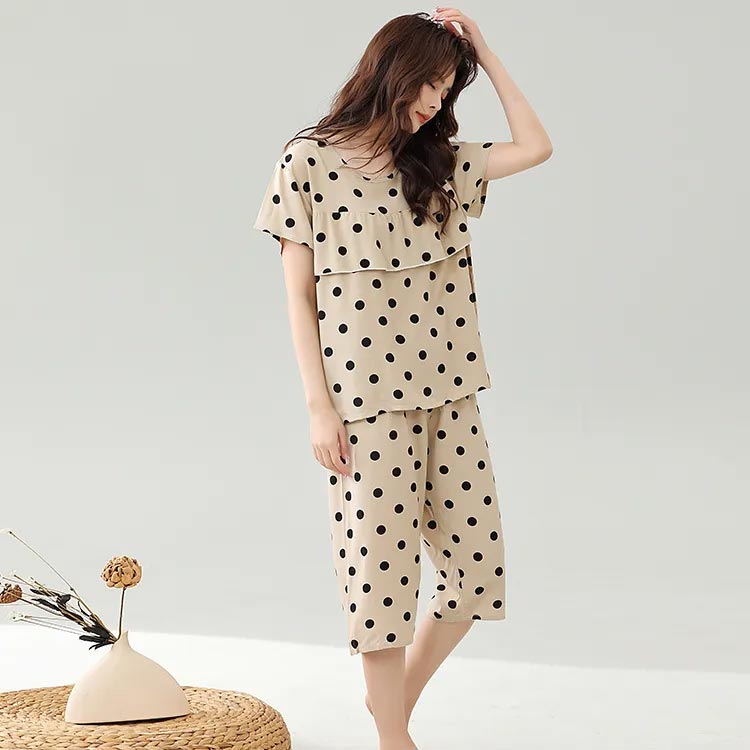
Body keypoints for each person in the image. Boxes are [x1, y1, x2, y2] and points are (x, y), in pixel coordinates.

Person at [253, 8, 552, 750]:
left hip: (451, 390)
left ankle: (391, 706)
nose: (434, 102)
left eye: (447, 90)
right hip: (365, 404)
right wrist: (318, 408)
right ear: (392, 70)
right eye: (429, 83)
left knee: (475, 574)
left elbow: (536, 146)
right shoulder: (307, 161)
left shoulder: (437, 163)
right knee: (380, 580)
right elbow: (299, 297)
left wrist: (484, 50)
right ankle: (394, 737)